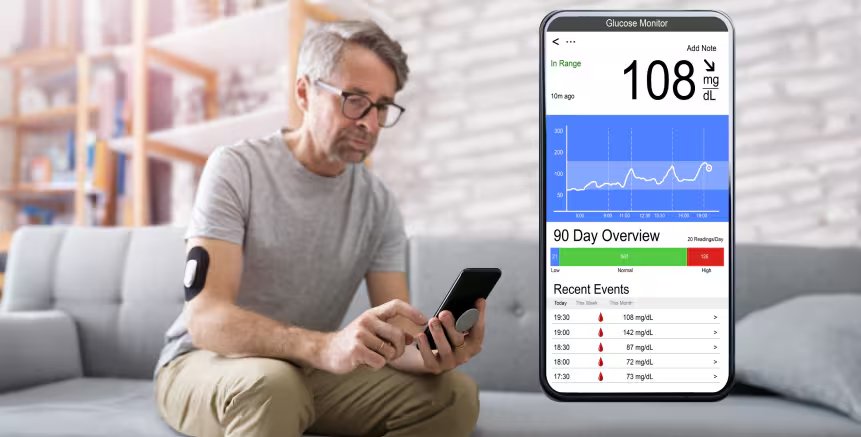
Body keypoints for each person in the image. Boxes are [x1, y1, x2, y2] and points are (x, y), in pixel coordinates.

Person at [154, 20, 485, 437]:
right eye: (355, 100)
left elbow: (396, 330)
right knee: (274, 387)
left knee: (453, 395)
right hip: (203, 360)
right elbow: (205, 319)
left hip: (305, 368)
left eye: (382, 106)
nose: (370, 122)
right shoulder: (236, 168)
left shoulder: (377, 202)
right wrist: (324, 346)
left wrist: (431, 353)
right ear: (304, 93)